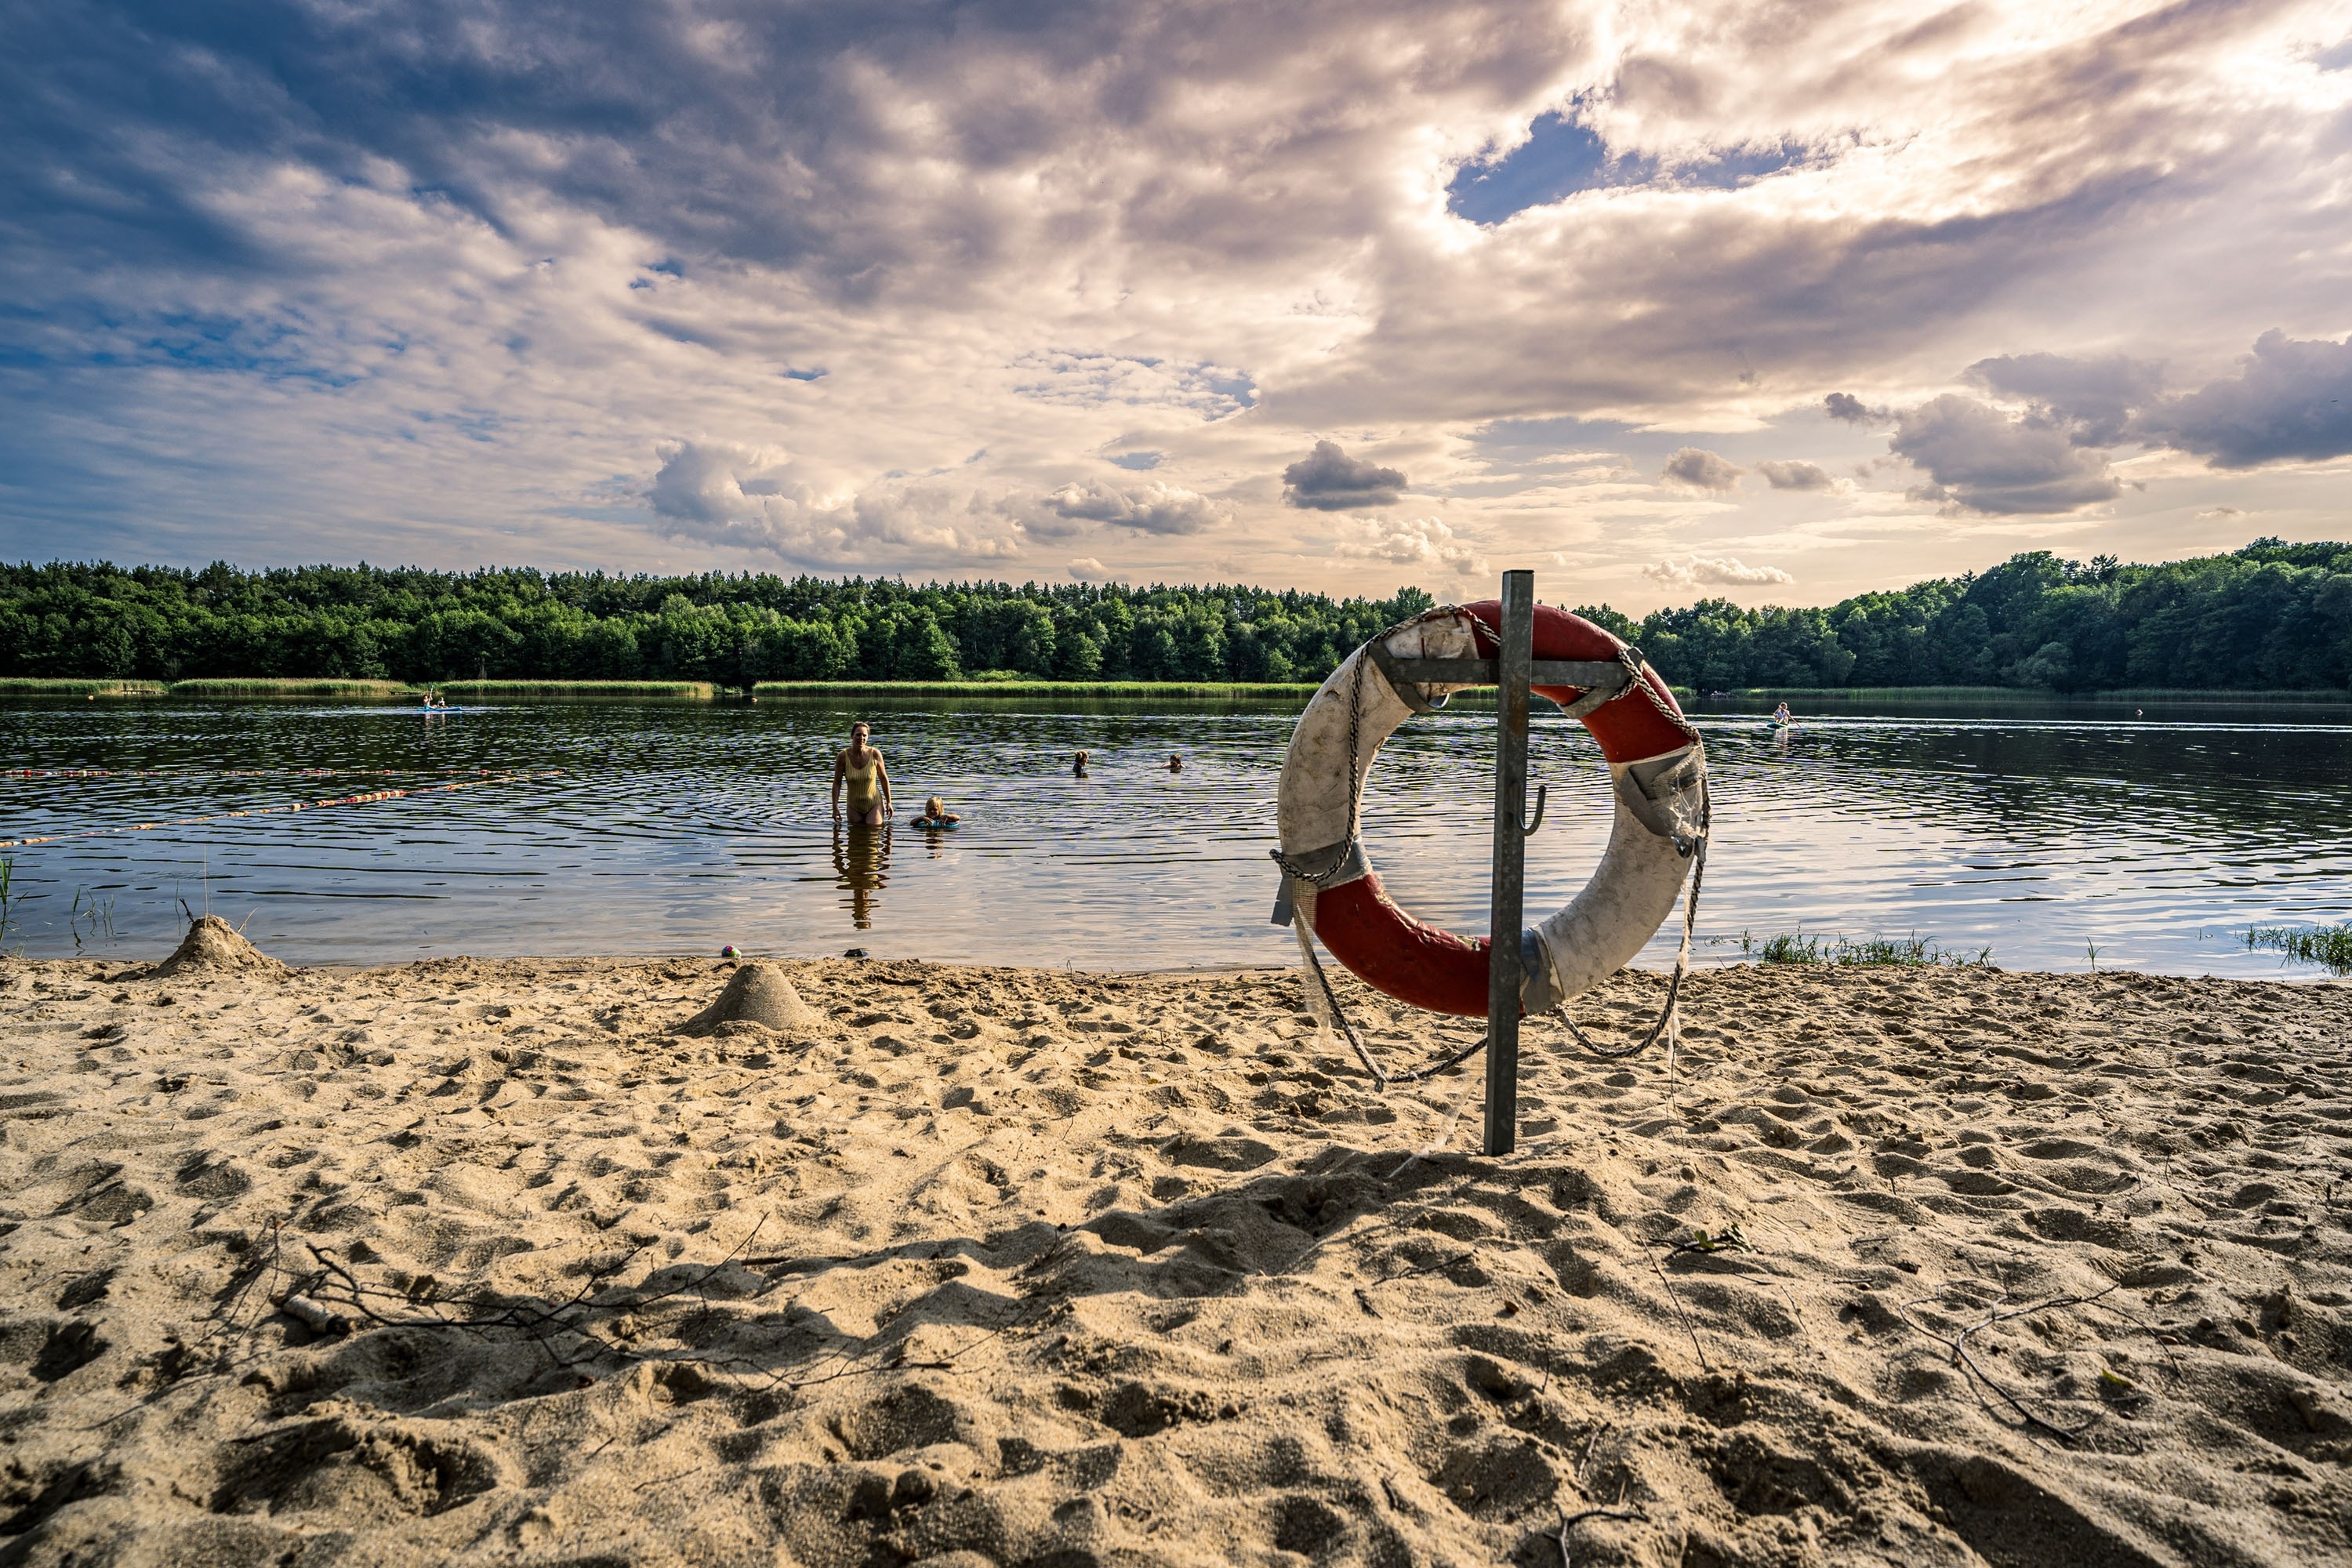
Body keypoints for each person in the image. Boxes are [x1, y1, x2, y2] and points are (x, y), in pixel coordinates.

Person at [833, 722, 892, 826]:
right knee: (855, 838)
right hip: (853, 806)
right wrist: (835, 807)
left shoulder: (875, 754)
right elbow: (837, 784)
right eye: (858, 735)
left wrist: (889, 802)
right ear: (852, 736)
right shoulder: (842, 756)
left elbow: (883, 779)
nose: (862, 738)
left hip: (874, 804)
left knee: (873, 832)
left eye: (865, 735)